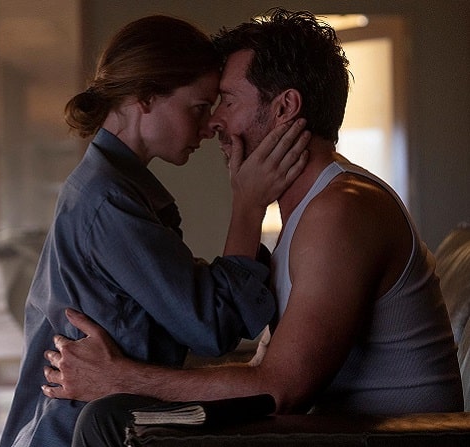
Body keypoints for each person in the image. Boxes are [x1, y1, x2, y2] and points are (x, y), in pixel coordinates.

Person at [40, 9, 464, 446]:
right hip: (327, 429)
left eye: (228, 101)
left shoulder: (340, 210)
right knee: (111, 416)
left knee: (108, 418)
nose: (214, 122)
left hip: (384, 438)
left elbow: (279, 391)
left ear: (284, 108)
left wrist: (119, 379)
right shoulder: (307, 212)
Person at [0, 14, 309, 447]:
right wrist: (247, 205)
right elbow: (210, 327)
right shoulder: (108, 200)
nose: (209, 126)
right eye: (198, 107)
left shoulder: (115, 189)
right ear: (145, 97)